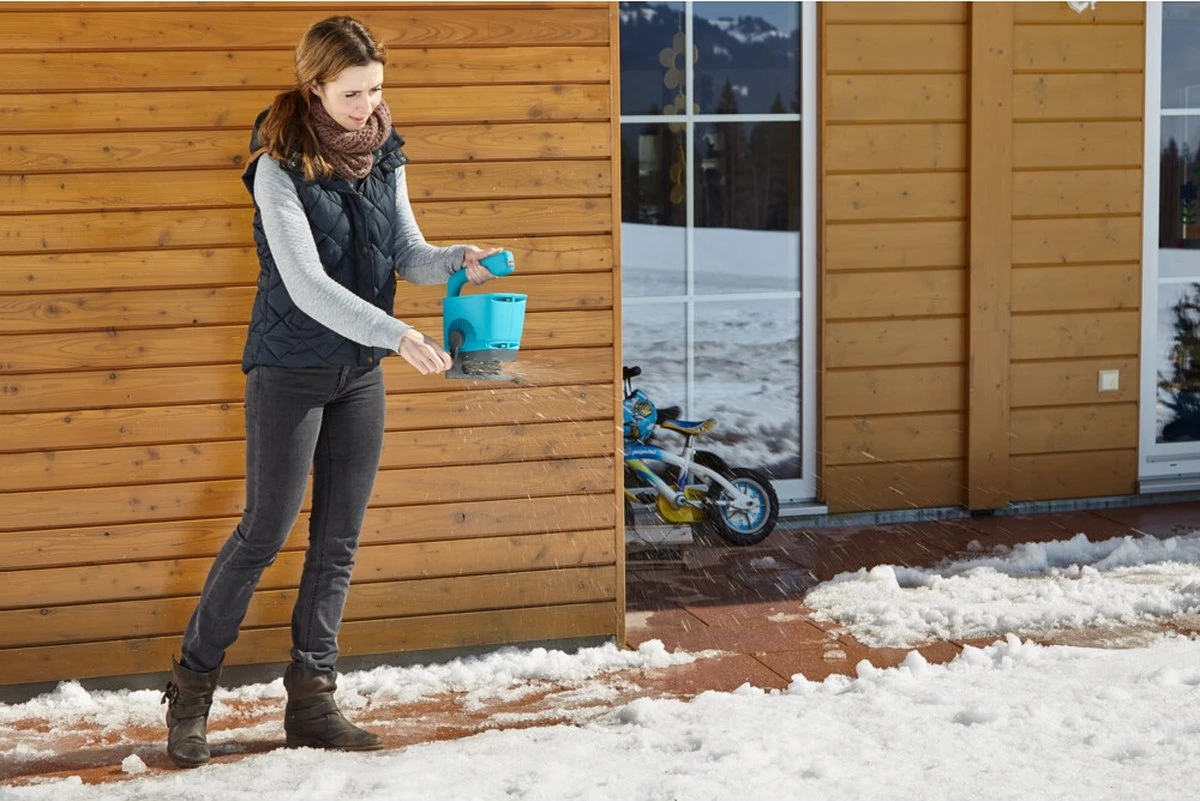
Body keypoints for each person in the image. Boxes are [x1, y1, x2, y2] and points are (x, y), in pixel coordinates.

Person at [161, 16, 503, 768]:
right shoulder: (277, 167)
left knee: (337, 540)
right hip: (288, 371)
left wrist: (456, 259)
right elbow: (306, 285)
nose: (367, 105)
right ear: (314, 85)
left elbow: (406, 251)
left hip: (359, 373)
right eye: (352, 92)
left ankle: (313, 702)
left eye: (375, 89)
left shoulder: (383, 150)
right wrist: (396, 333)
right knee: (264, 532)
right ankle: (189, 694)